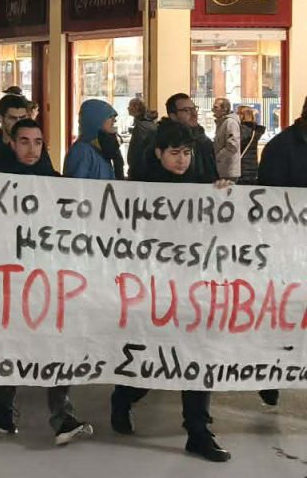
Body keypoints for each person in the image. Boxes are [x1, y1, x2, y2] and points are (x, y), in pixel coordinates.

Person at [111, 119, 231, 462]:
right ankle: (124, 396)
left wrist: (222, 196)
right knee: (151, 361)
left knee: (196, 356)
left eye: (188, 153)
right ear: (159, 153)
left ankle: (198, 431)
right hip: (152, 289)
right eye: (175, 153)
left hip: (193, 289)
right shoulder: (141, 190)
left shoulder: (201, 186)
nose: (182, 159)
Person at [0, 118, 93, 445]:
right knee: (11, 345)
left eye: (37, 142)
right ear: (12, 143)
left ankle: (62, 416)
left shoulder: (58, 185)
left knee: (56, 344)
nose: (31, 149)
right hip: (10, 279)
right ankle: (3, 409)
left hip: (50, 279)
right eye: (24, 141)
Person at [255, 96, 307, 409]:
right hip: (287, 249)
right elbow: (269, 200)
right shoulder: (280, 148)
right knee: (282, 315)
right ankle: (269, 375)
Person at [135, 94, 219, 182]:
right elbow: (141, 172)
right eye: (187, 110)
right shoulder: (156, 139)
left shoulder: (203, 141)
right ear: (173, 116)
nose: (194, 114)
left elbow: (211, 174)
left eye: (194, 108)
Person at [0, 93, 53, 173]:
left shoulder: (36, 148)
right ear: (0, 119)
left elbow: (48, 179)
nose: (18, 122)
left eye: (22, 117)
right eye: (12, 118)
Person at [63, 99, 119, 180]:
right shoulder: (81, 151)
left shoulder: (101, 149)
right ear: (96, 119)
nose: (114, 120)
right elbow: (76, 186)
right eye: (110, 116)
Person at [126, 97, 158, 179]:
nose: (128, 108)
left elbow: (138, 151)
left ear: (136, 108)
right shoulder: (145, 123)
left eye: (130, 106)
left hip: (140, 171)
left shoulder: (142, 126)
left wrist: (133, 170)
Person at [211, 97, 241, 182]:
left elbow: (233, 146)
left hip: (228, 170)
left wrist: (218, 156)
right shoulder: (222, 123)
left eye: (216, 107)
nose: (213, 110)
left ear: (224, 109)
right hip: (223, 169)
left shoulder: (230, 123)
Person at [237, 106, 265, 184]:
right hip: (253, 167)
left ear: (242, 115)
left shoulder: (241, 131)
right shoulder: (255, 131)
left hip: (241, 168)